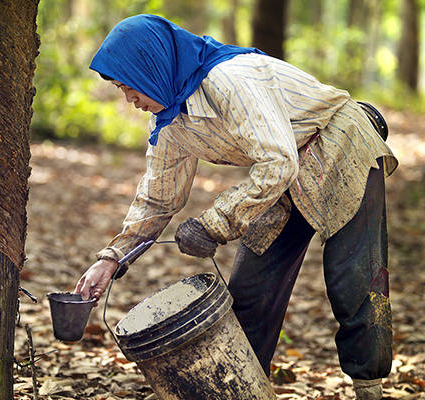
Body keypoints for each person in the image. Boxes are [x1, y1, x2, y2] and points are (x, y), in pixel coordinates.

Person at [74, 14, 397, 400]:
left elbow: (278, 162)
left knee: (354, 280)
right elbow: (158, 197)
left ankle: (369, 390)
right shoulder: (171, 119)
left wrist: (215, 223)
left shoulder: (231, 79)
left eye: (129, 88)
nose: (130, 101)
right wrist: (112, 259)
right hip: (281, 174)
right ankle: (245, 390)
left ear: (152, 68)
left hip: (339, 145)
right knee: (249, 293)